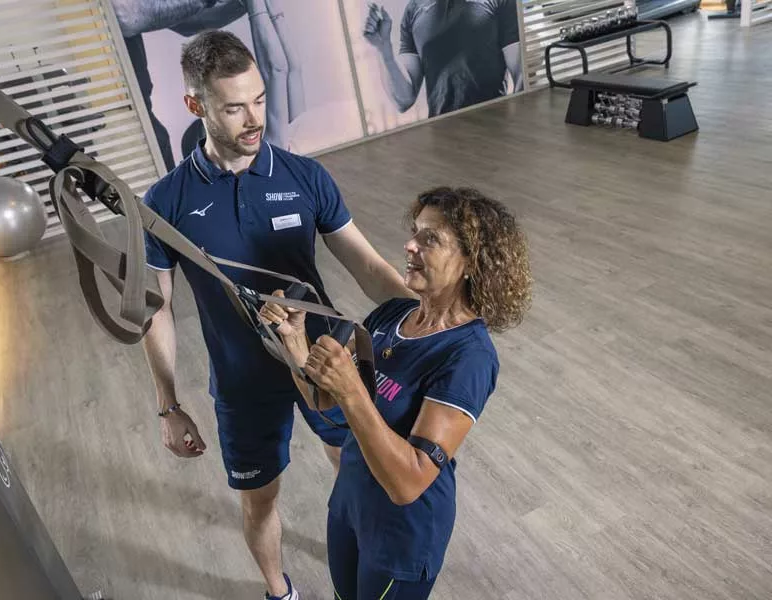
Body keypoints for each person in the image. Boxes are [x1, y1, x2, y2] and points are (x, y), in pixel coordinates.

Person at [140, 30, 412, 600]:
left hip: (325, 361)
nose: (253, 117)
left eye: (259, 99)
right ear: (196, 106)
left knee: (356, 470)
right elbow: (156, 308)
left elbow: (363, 261)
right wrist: (168, 405)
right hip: (243, 381)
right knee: (259, 499)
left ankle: (363, 568)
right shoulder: (166, 202)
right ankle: (279, 590)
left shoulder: (304, 176)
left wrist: (424, 318)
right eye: (234, 106)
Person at [261, 186, 532, 599]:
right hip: (349, 505)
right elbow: (324, 400)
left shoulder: (469, 356)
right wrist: (294, 340)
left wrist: (353, 392)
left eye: (430, 239)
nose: (409, 245)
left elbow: (409, 482)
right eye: (414, 232)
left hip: (402, 534)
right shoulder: (392, 313)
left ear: (470, 263)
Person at [112, 0, 303, 170]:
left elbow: (286, 70)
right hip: (126, 118)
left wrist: (256, 7)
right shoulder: (270, 158)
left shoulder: (267, 157)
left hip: (132, 119)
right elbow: (286, 70)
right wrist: (261, 8)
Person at [363, 0, 524, 118]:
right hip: (442, 139)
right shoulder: (413, 10)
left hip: (495, 130)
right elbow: (403, 100)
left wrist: (516, 126)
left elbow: (521, 75)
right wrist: (384, 49)